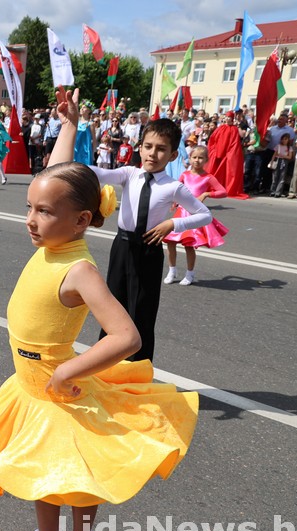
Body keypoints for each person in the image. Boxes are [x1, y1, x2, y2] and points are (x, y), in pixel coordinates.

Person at [0, 90, 198, 531]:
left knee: (77, 480)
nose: (31, 220)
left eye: (44, 212)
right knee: (40, 470)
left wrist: (67, 370)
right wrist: (70, 128)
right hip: (30, 388)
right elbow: (57, 176)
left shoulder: (78, 269)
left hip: (62, 389)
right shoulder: (52, 239)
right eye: (30, 208)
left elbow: (127, 336)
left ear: (80, 221)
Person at [64, 92, 212, 361]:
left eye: (161, 149)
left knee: (142, 312)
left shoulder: (173, 187)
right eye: (148, 146)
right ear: (140, 147)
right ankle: (105, 365)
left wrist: (173, 223)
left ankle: (138, 369)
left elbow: (205, 215)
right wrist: (69, 138)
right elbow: (97, 172)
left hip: (149, 251)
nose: (153, 153)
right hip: (121, 247)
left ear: (173, 154)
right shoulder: (129, 174)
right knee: (112, 308)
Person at [163, 145, 229, 285]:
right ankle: (172, 270)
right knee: (171, 241)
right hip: (181, 212)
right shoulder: (185, 175)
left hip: (194, 215)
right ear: (190, 158)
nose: (197, 160)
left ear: (206, 160)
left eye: (200, 158)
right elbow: (177, 190)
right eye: (194, 157)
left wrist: (206, 194)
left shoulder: (208, 178)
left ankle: (190, 273)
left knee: (189, 244)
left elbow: (223, 192)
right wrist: (174, 201)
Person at [205, 110, 247, 199]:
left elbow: (237, 140)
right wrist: (214, 150)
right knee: (216, 170)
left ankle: (226, 187)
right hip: (218, 152)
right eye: (226, 117)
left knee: (228, 171)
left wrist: (238, 126)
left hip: (228, 153)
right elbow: (213, 139)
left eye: (229, 117)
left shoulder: (235, 129)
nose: (227, 119)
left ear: (232, 119)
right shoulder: (220, 128)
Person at [269, 133, 294, 198]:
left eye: (286, 139)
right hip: (277, 161)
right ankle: (272, 191)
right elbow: (274, 155)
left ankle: (278, 192)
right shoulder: (278, 146)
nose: (284, 140)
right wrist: (271, 162)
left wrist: (283, 156)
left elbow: (290, 157)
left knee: (282, 177)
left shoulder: (289, 148)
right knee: (275, 177)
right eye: (283, 139)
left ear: (288, 140)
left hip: (284, 162)